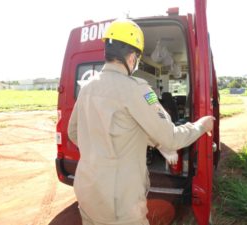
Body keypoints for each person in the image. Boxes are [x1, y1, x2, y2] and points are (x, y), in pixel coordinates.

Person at [67, 19, 215, 225]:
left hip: (87, 192)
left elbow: (74, 133)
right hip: (120, 202)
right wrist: (201, 125)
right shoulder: (137, 89)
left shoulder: (87, 88)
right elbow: (171, 138)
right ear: (131, 57)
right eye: (137, 57)